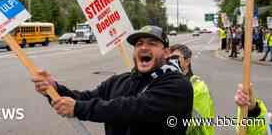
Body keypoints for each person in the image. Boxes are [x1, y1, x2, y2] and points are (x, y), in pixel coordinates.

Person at [32, 25, 193, 135]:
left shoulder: (177, 85)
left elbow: (133, 109)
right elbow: (83, 98)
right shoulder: (119, 81)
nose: (144, 47)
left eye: (152, 43)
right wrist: (53, 88)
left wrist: (79, 108)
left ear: (165, 53)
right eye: (139, 44)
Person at [169, 44, 215, 135]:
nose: (170, 62)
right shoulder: (171, 84)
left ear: (187, 62)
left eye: (175, 58)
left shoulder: (198, 88)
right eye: (168, 59)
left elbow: (190, 124)